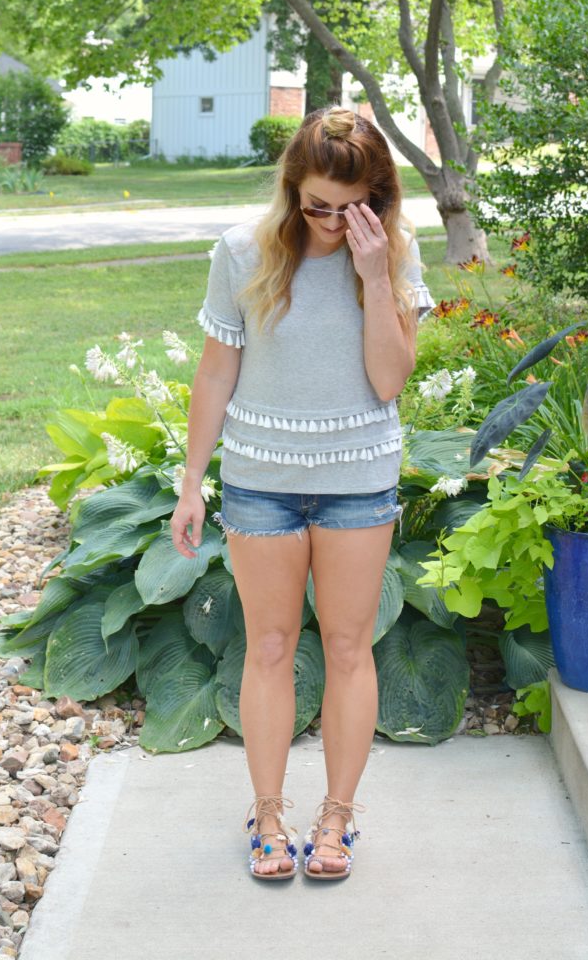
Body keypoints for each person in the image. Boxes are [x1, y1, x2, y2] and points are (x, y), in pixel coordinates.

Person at [170, 105, 435, 881]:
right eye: (313, 205)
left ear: (377, 195)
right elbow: (216, 372)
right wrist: (192, 483)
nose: (325, 221)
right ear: (293, 190)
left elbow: (388, 379)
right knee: (271, 647)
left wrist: (374, 274)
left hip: (357, 479)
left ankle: (336, 817)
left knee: (351, 649)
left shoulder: (395, 254)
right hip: (261, 482)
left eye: (344, 207)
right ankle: (267, 813)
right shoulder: (240, 252)